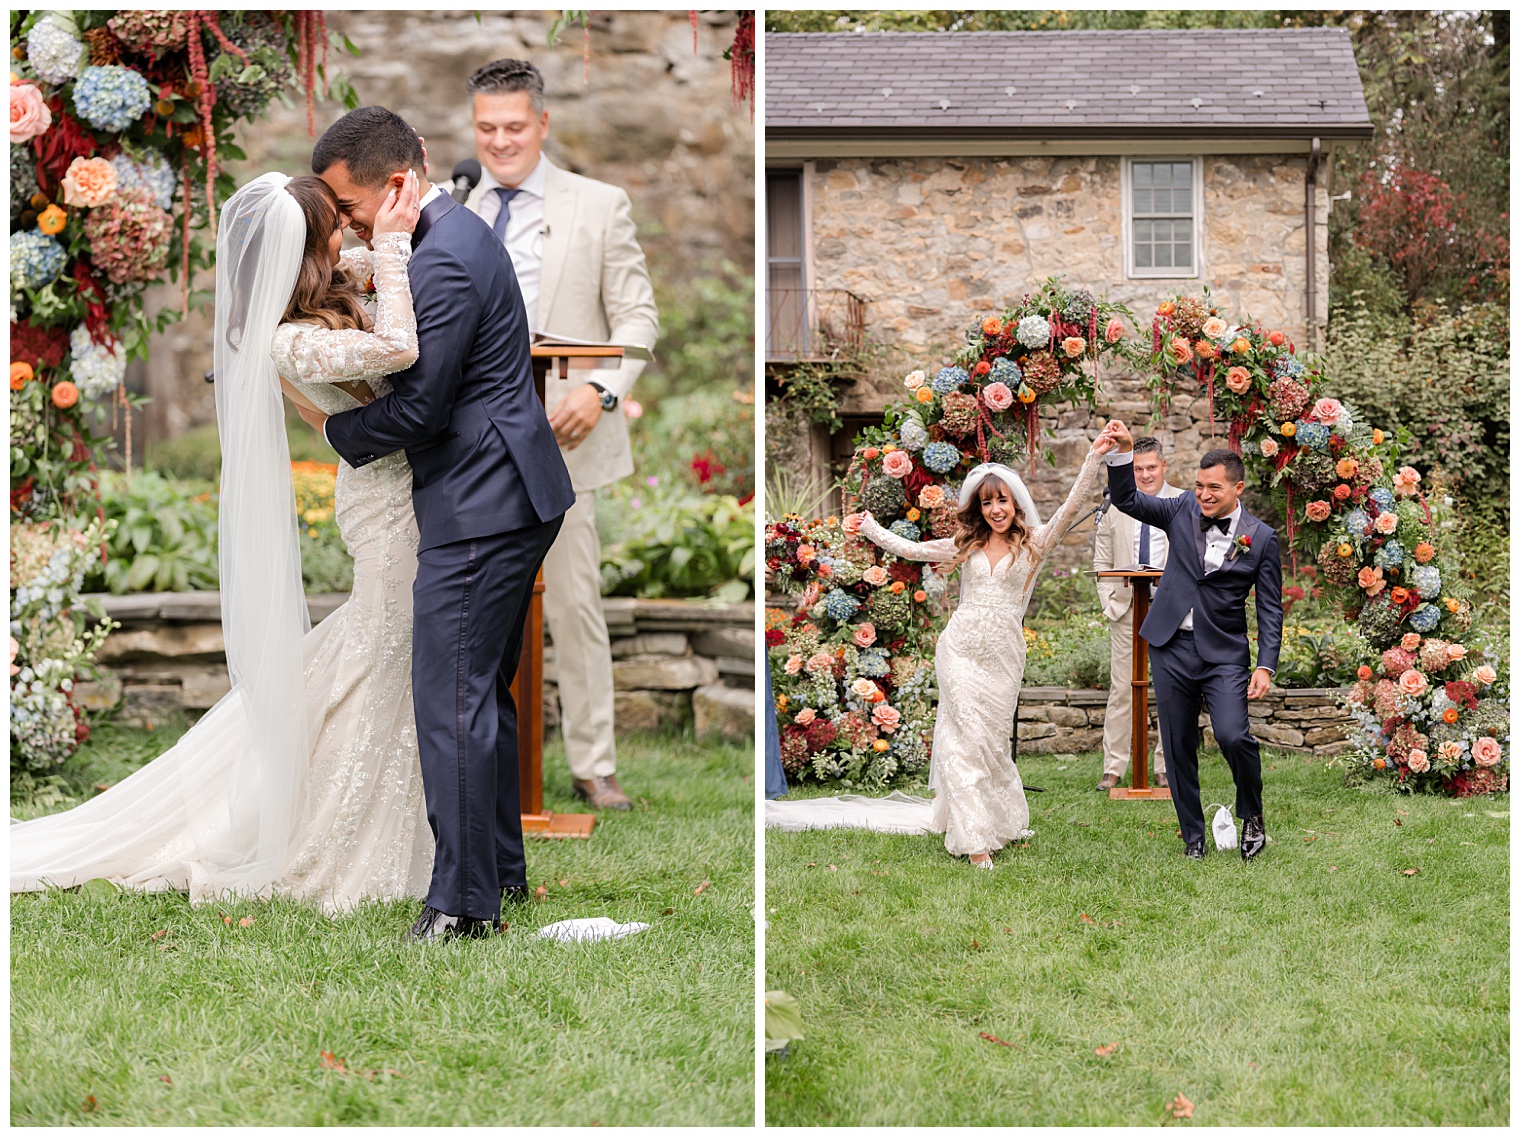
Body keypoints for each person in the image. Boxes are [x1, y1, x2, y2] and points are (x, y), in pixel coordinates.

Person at [12, 171, 438, 911]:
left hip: (404, 492)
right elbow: (399, 348)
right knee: (378, 661)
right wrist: (396, 242)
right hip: (384, 507)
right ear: (305, 250)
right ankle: (331, 841)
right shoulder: (294, 342)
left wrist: (400, 230)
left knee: (377, 656)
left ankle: (388, 824)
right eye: (334, 226)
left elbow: (369, 274)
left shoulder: (323, 290)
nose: (349, 236)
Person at [304, 106, 575, 941]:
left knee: (448, 702)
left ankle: (462, 906)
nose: (345, 226)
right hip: (502, 492)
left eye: (348, 209)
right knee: (480, 695)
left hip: (482, 503)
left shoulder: (446, 259)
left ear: (394, 186)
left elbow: (419, 409)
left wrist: (331, 430)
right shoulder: (440, 236)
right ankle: (498, 875)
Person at [461, 58, 660, 812]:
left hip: (564, 434)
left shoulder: (600, 204)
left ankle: (594, 761)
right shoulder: (457, 209)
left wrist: (601, 390)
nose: (501, 140)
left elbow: (638, 317)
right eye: (487, 128)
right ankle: (480, 756)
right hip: (475, 438)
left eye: (514, 126)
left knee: (574, 602)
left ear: (543, 124)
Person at [845, 435, 1112, 868]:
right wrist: (871, 528)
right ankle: (975, 842)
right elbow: (913, 550)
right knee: (963, 741)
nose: (995, 510)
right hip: (960, 650)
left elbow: (1070, 506)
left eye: (1002, 501)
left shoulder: (1035, 544)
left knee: (990, 743)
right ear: (979, 508)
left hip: (1004, 657)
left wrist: (1094, 456)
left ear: (1015, 503)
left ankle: (1001, 821)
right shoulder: (966, 545)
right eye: (987, 503)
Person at [1100, 420, 1283, 861]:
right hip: (1169, 647)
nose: (1203, 494)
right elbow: (1125, 498)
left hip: (1223, 653)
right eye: (1199, 485)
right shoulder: (1179, 508)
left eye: (1214, 488)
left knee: (1233, 735)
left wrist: (1265, 664)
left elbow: (1270, 608)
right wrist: (1122, 453)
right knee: (1178, 744)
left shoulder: (1261, 539)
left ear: (1238, 488)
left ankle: (1252, 815)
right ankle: (1193, 838)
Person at [1092, 435, 1185, 791]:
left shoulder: (1179, 502)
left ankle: (1165, 766)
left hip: (1170, 608)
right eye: (1137, 468)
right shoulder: (1115, 505)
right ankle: (1113, 767)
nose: (1144, 475)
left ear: (1163, 467)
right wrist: (1107, 601)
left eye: (1150, 467)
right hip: (1126, 607)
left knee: (1170, 689)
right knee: (1120, 690)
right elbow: (1101, 561)